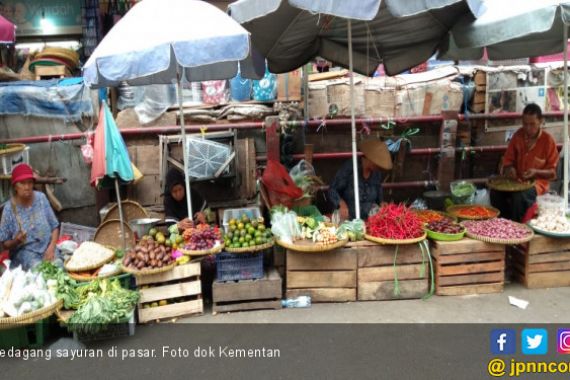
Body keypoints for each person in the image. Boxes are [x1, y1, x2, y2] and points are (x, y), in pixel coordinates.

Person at [491, 103, 559, 222]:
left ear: (540, 121)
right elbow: (508, 161)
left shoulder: (548, 141)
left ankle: (518, 229)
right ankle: (503, 224)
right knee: (495, 192)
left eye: (532, 124)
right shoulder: (518, 136)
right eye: (525, 124)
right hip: (516, 181)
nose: (528, 128)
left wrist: (536, 172)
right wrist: (509, 168)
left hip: (538, 185)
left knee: (520, 196)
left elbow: (553, 173)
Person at [0, 164, 60, 271]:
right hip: (25, 253)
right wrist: (16, 241)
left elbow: (55, 226)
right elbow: (4, 244)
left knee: (58, 266)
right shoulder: (9, 209)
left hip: (47, 247)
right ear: (15, 186)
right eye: (22, 183)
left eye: (29, 182)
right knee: (39, 271)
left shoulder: (41, 198)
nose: (27, 187)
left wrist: (51, 247)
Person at [329, 139, 393, 220]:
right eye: (378, 163)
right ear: (370, 158)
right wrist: (341, 204)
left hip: (369, 214)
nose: (379, 167)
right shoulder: (350, 167)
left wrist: (382, 203)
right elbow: (333, 190)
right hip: (349, 213)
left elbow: (379, 194)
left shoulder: (376, 173)